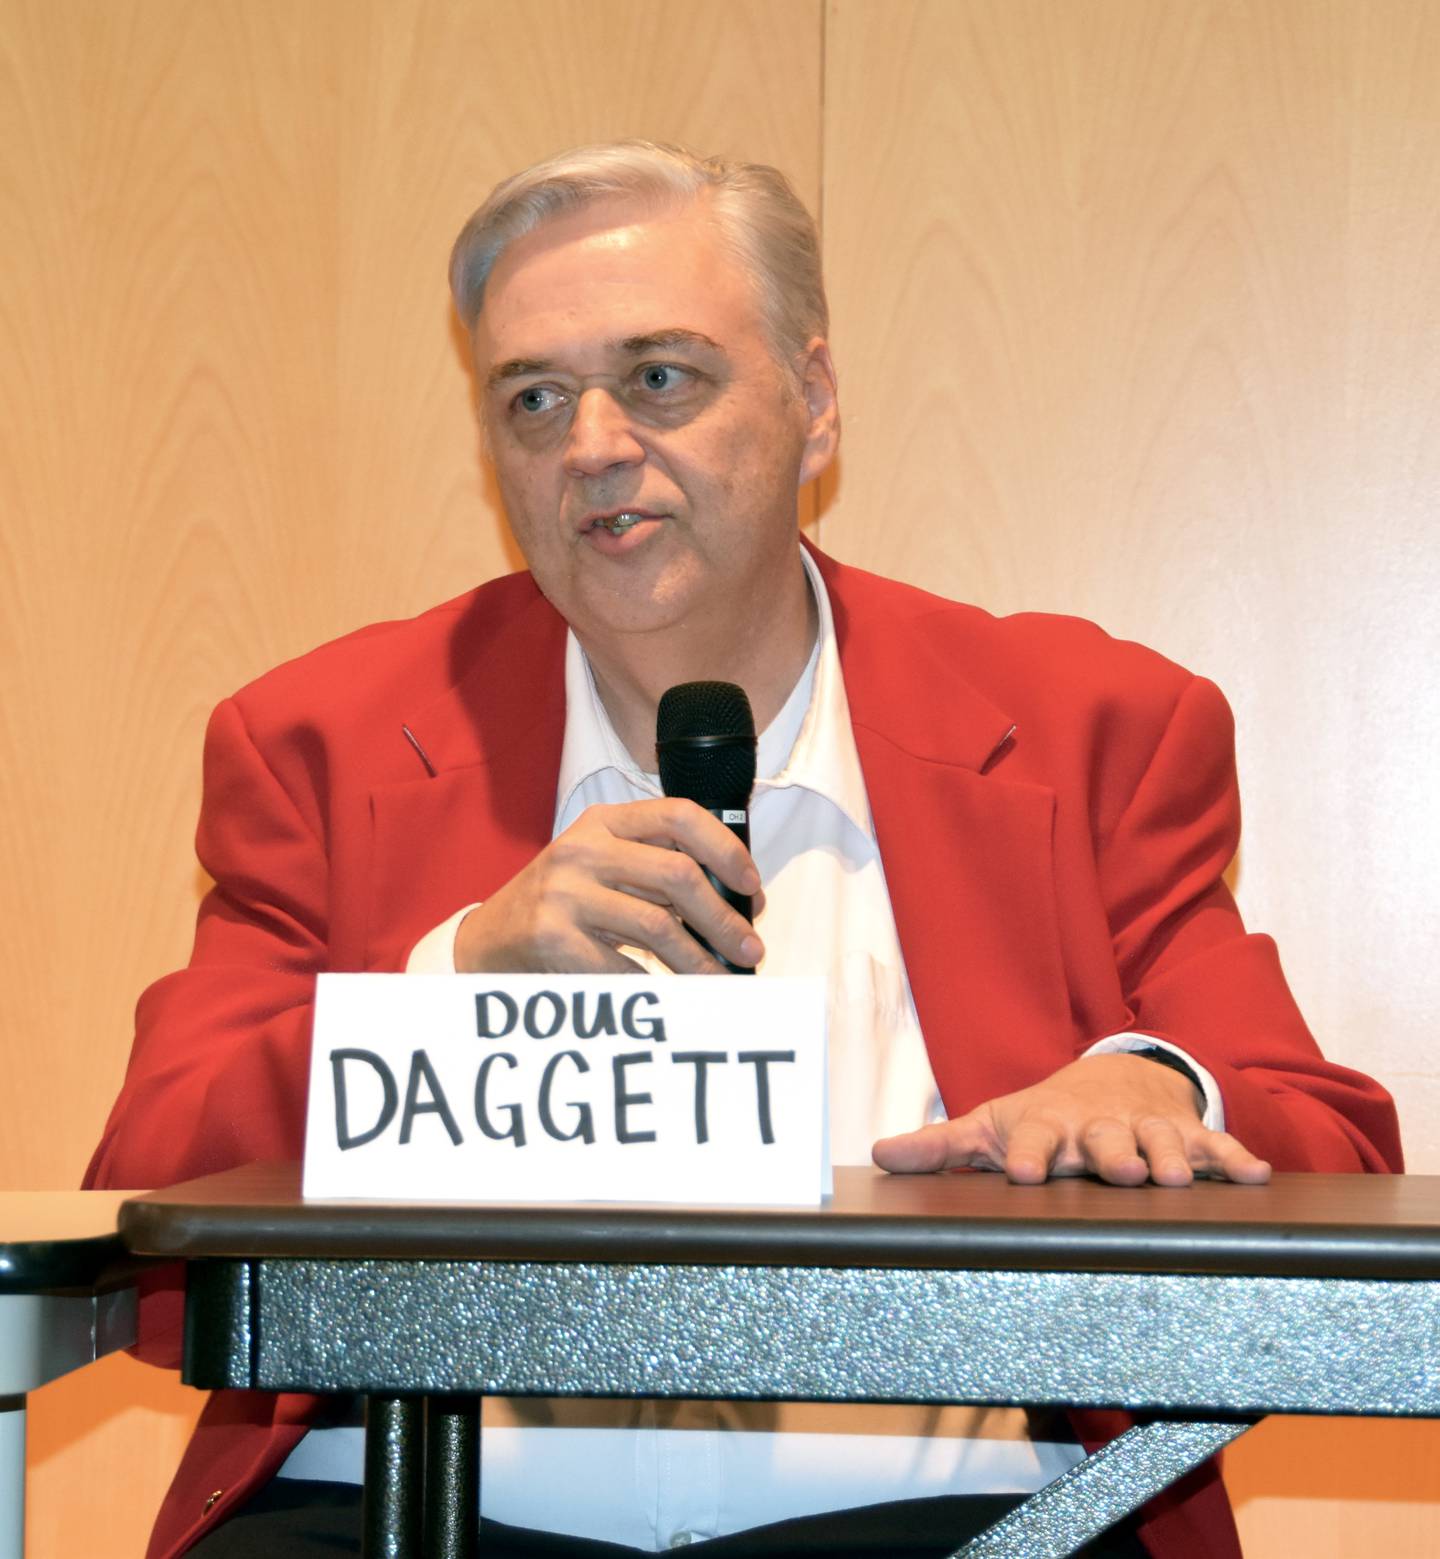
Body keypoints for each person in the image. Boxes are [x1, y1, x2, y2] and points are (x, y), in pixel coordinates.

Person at [86, 141, 1401, 1559]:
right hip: (407, 1508)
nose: (591, 443)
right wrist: (450, 979)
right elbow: (148, 1198)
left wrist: (1148, 1083)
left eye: (661, 377)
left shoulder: (1088, 733)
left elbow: (1323, 1140)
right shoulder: (324, 745)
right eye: (532, 398)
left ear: (814, 406)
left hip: (942, 1526)